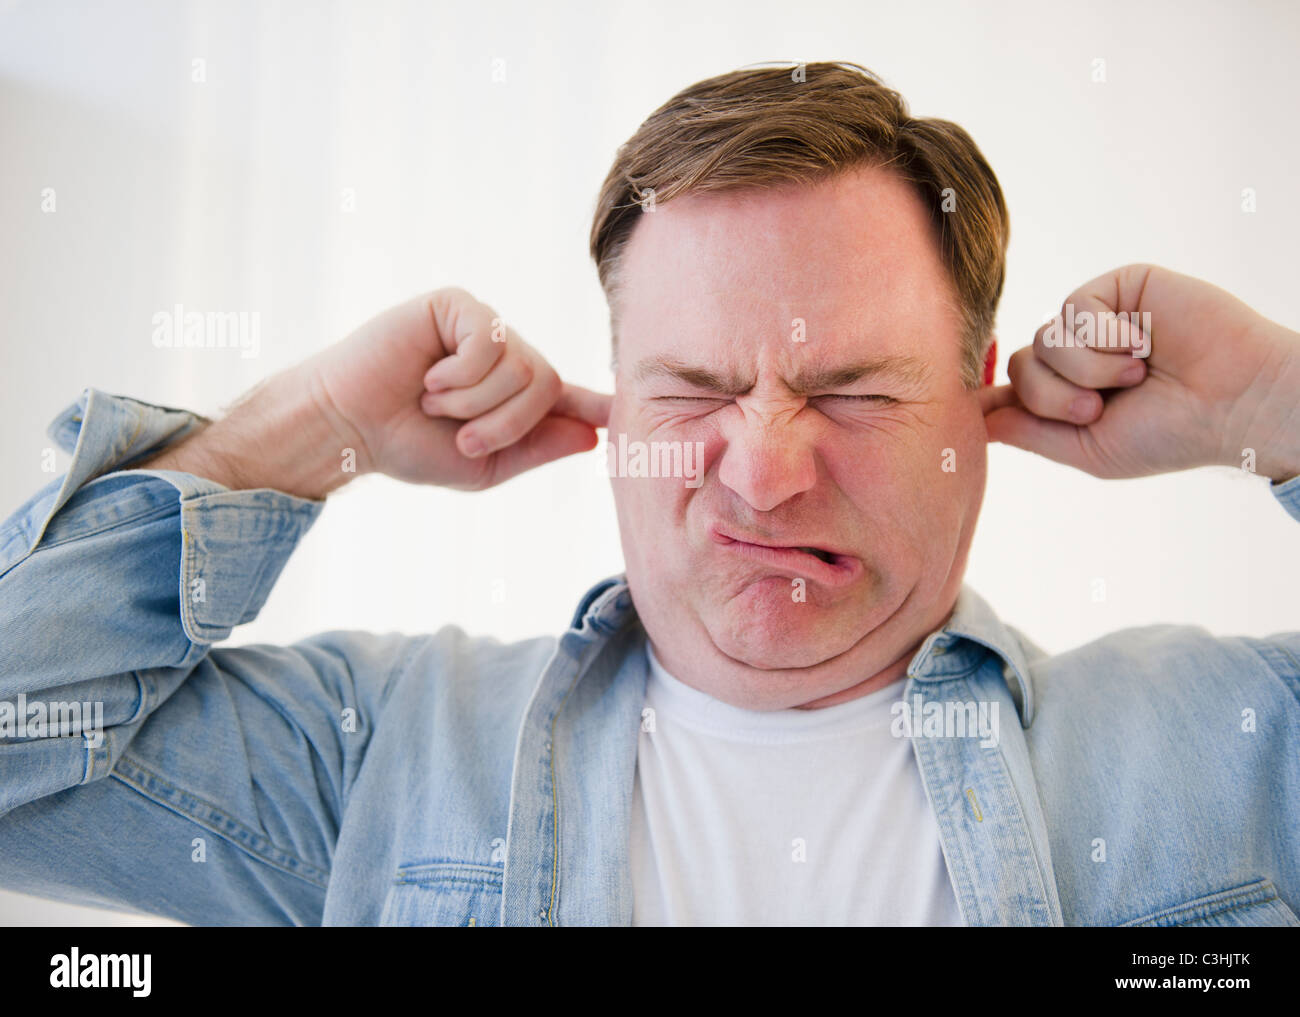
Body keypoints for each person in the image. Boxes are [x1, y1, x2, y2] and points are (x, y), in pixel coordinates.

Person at [1, 62, 1297, 927]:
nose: (769, 471)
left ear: (980, 400)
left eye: (855, 389)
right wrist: (300, 436)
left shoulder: (1223, 753)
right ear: (613, 405)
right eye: (691, 389)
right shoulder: (378, 753)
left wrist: (1272, 413)